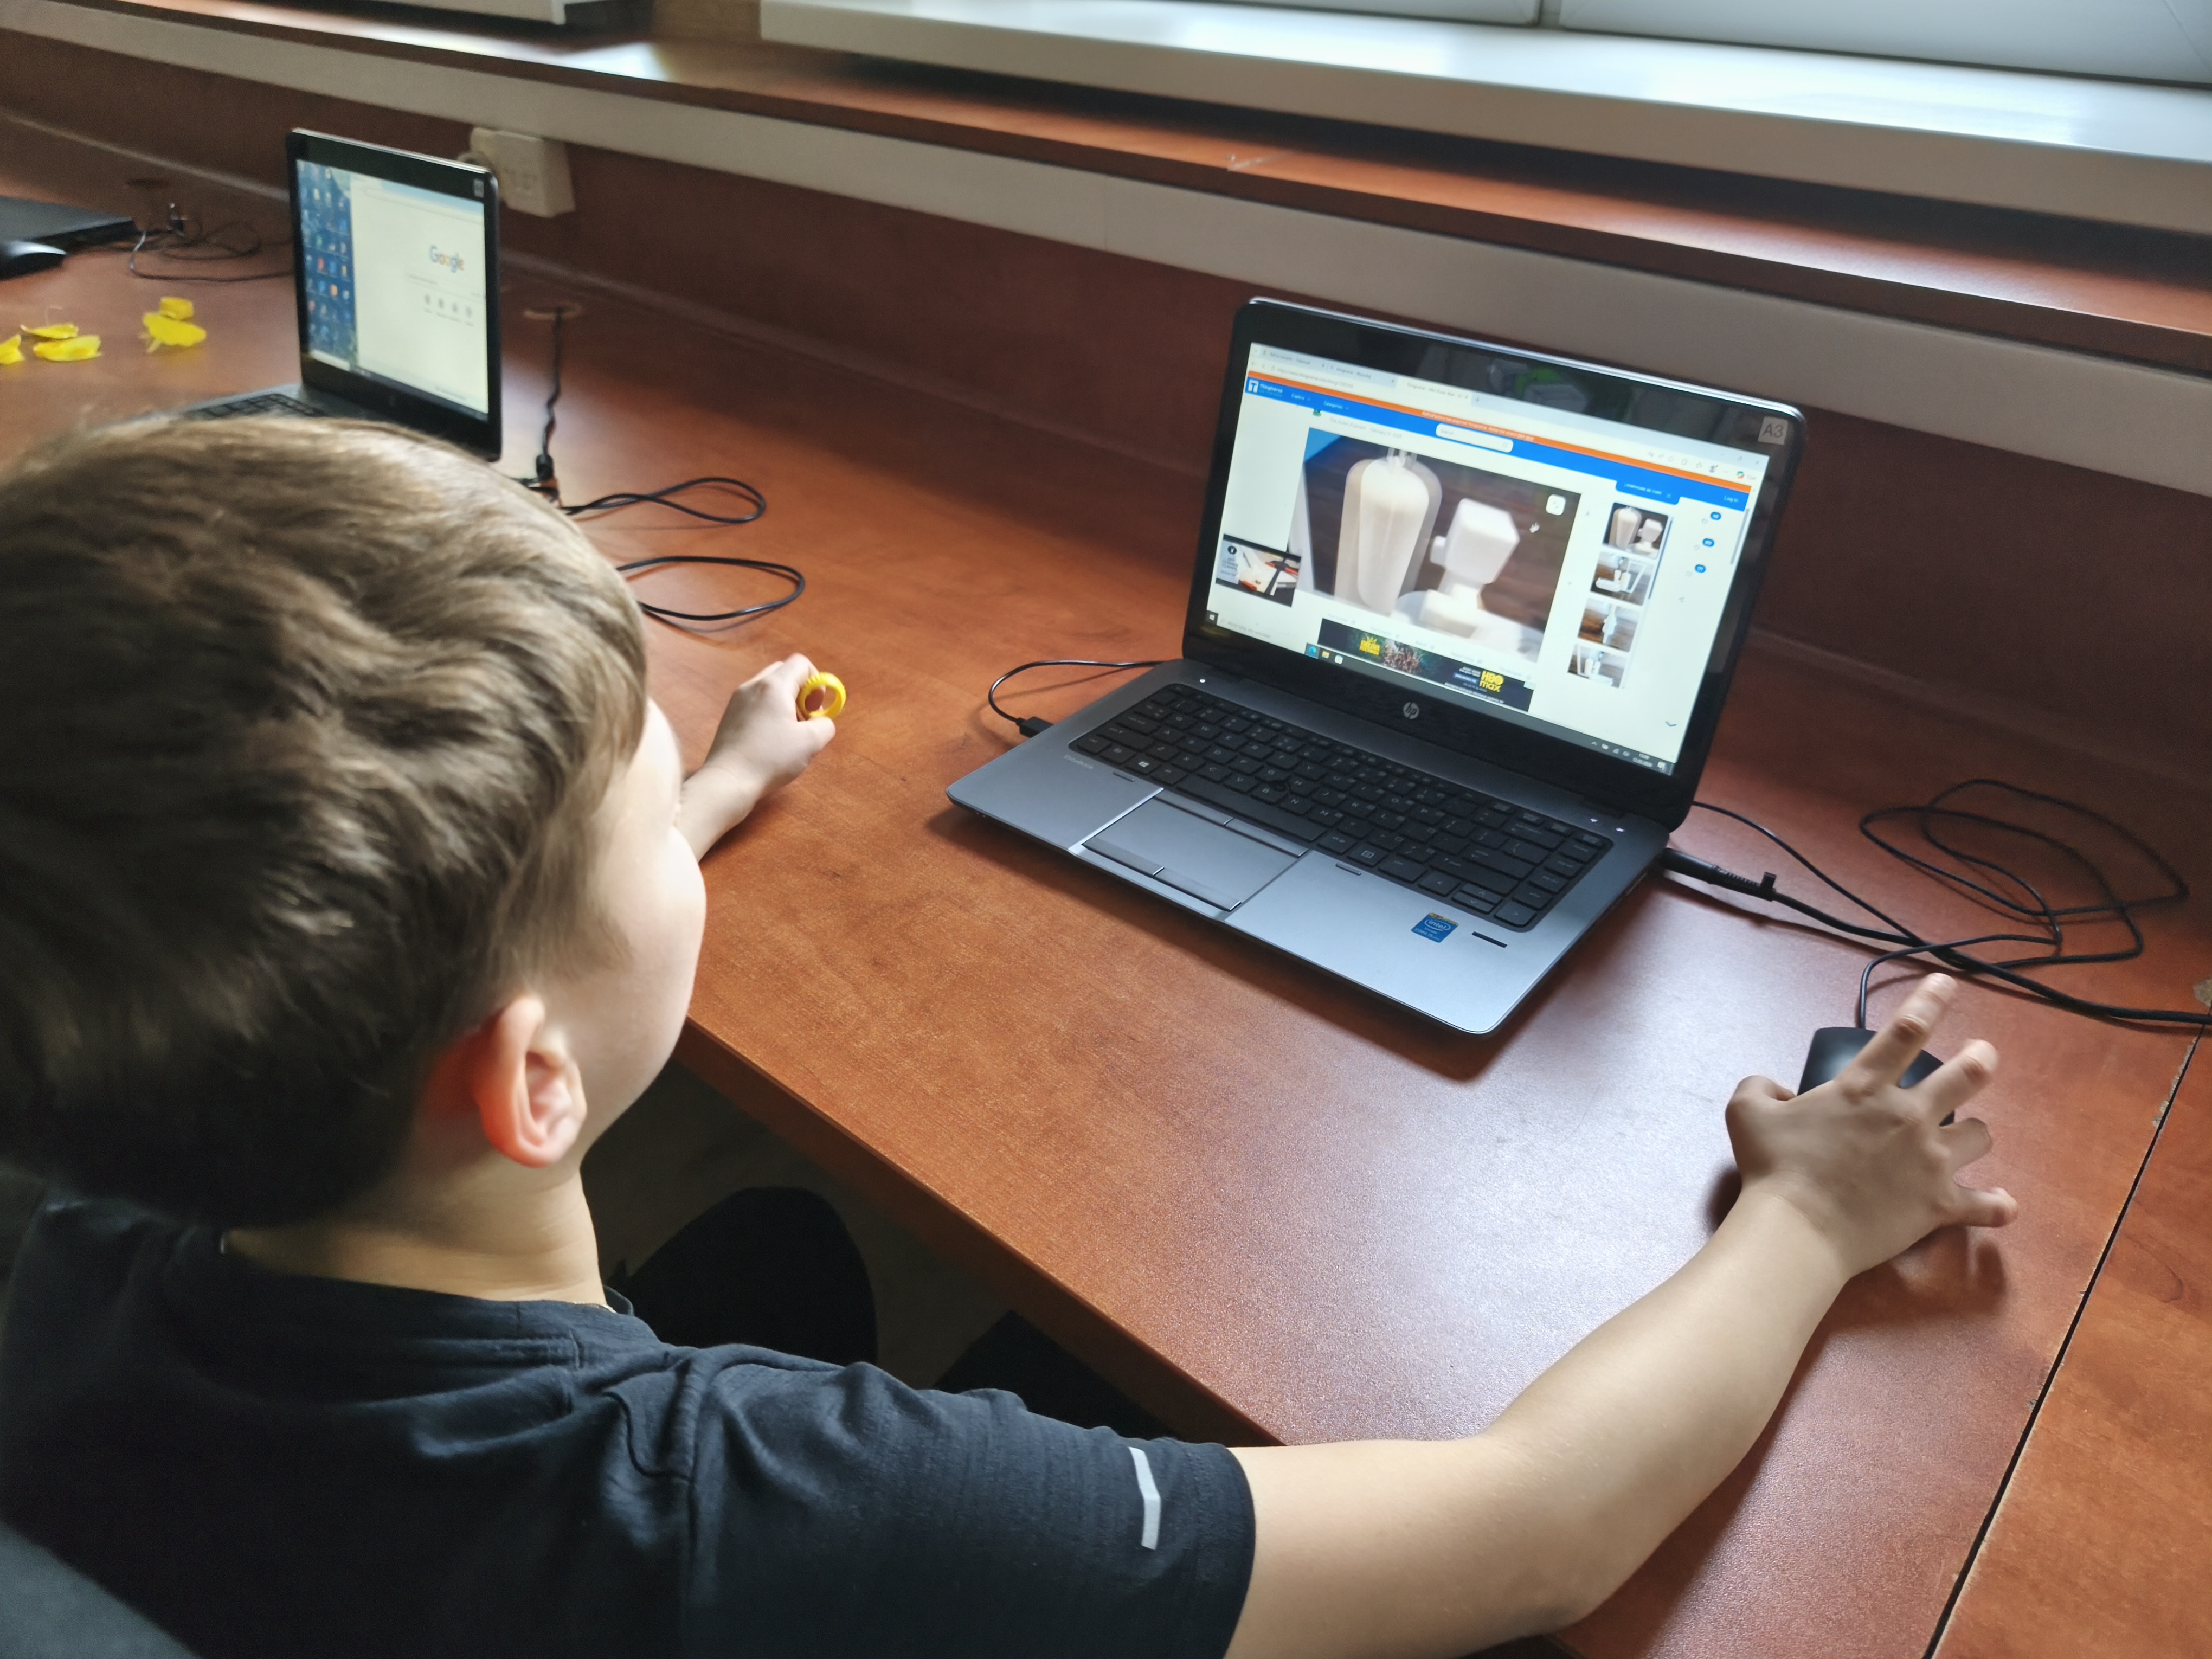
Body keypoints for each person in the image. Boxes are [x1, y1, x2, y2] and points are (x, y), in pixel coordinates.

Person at [0, 418, 2017, 1659]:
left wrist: (700, 796)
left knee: (784, 1253)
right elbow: (1541, 1533)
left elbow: (466, 985)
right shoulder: (766, 1501)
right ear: (531, 1080)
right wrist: (1813, 1216)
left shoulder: (76, 1250)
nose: (672, 800)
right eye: (638, 798)